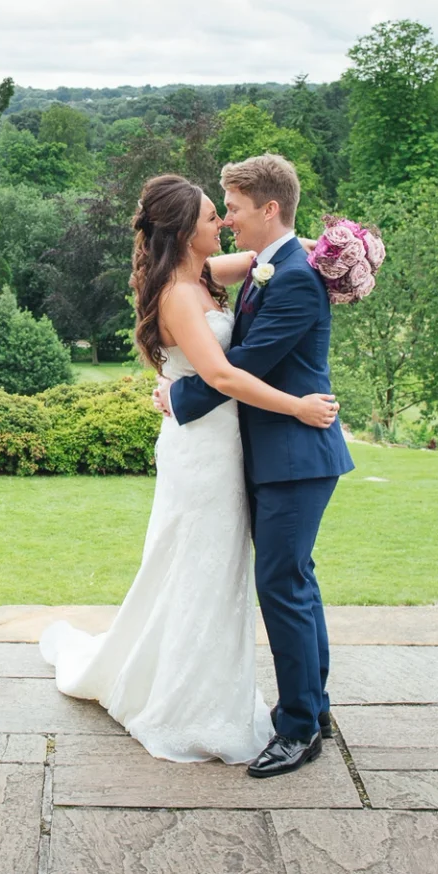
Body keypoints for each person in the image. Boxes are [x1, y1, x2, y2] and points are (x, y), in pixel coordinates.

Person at [38, 170, 339, 765]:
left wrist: (320, 248)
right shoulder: (178, 292)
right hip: (204, 453)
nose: (221, 221)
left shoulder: (202, 273)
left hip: (228, 446)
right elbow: (225, 375)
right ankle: (196, 699)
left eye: (225, 210)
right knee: (207, 571)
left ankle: (303, 708)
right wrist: (297, 406)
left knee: (256, 576)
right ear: (183, 232)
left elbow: (261, 258)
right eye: (211, 216)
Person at [160, 153, 356, 778]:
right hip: (277, 454)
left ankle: (298, 728)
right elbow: (191, 268)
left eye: (236, 210)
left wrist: (178, 394)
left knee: (283, 586)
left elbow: (247, 363)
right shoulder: (276, 266)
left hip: (296, 456)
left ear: (269, 209)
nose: (230, 222)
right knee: (294, 580)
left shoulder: (293, 277)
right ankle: (314, 708)